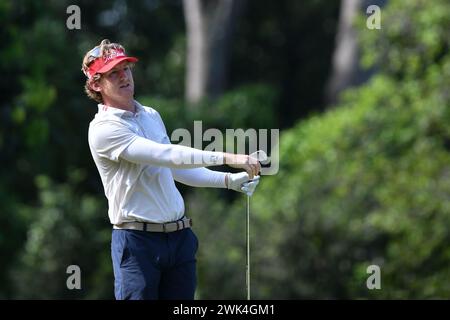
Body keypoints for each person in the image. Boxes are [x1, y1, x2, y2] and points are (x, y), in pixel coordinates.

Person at [81, 39, 261, 300]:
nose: (124, 77)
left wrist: (228, 180)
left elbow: (175, 169)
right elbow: (167, 155)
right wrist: (226, 156)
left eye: (126, 69)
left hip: (179, 240)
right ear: (96, 84)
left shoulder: (151, 115)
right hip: (137, 242)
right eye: (113, 73)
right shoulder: (103, 129)